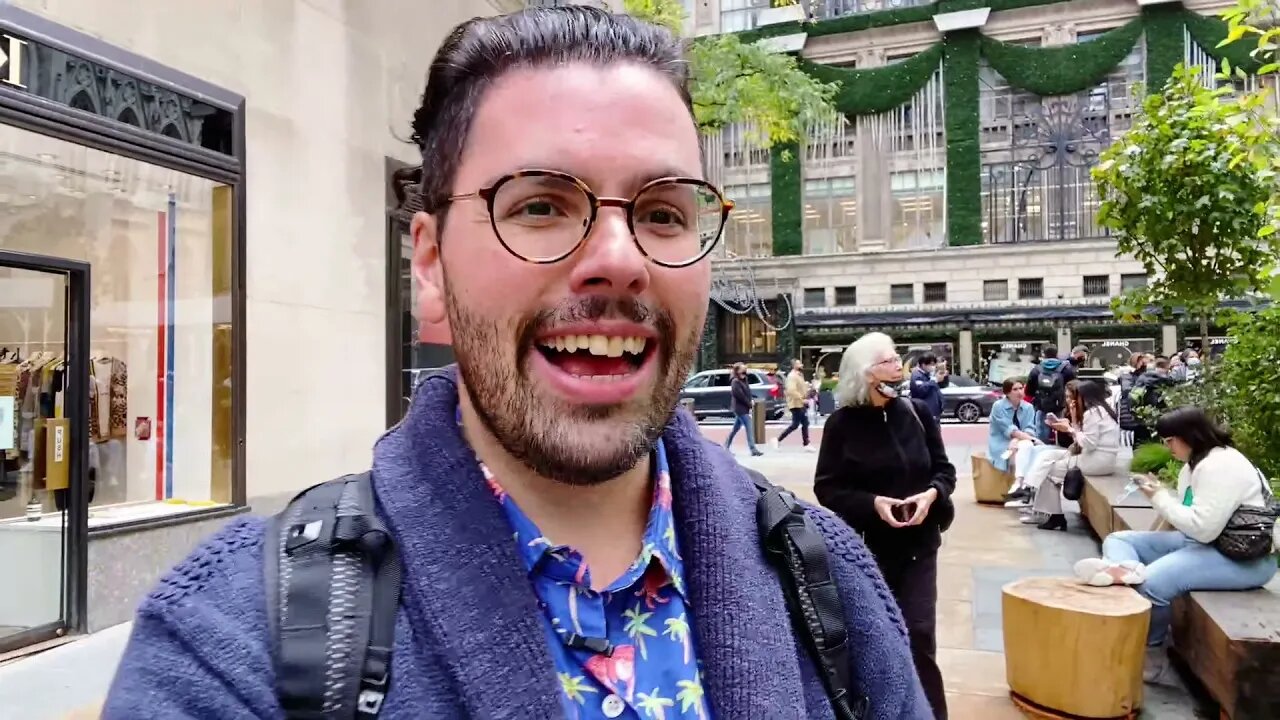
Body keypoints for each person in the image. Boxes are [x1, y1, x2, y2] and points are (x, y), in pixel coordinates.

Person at [101, 7, 931, 719]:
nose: (619, 258)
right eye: (539, 205)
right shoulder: (231, 641)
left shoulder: (829, 583)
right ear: (429, 265)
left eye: (663, 212)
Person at [1074, 407, 1277, 685]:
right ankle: (1126, 569)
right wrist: (1162, 501)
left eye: (1169, 440)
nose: (1166, 447)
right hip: (1206, 544)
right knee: (1119, 540)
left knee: (1152, 586)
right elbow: (1187, 520)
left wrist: (1159, 497)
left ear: (1189, 436)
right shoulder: (1195, 464)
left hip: (1244, 559)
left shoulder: (1222, 466)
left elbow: (1203, 529)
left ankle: (1152, 657)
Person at [815, 332, 958, 720]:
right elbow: (827, 487)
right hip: (868, 550)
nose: (899, 367)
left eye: (898, 360)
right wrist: (873, 504)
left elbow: (945, 471)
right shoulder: (842, 424)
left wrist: (930, 495)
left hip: (919, 544)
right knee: (875, 639)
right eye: (889, 361)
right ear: (866, 373)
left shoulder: (917, 413)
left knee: (919, 635)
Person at [1027, 380, 1121, 531]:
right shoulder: (1103, 410)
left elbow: (1089, 444)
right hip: (1102, 459)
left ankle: (1054, 515)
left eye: (1074, 397)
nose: (1072, 401)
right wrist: (1074, 418)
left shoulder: (1092, 413)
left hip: (1096, 461)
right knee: (1049, 456)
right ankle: (1028, 486)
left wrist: (1070, 429)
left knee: (1051, 470)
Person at [987, 377, 1038, 495]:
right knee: (1023, 448)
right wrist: (1030, 439)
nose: (1020, 392)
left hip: (1021, 440)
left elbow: (1030, 428)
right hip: (1001, 441)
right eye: (1015, 389)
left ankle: (1019, 483)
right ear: (1007, 393)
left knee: (1027, 446)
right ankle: (1023, 485)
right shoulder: (998, 406)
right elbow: (1007, 428)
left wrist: (1016, 440)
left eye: (1021, 388)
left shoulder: (1028, 407)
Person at [1025, 345, 1075, 445]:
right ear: (1056, 354)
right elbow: (1073, 386)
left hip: (1042, 406)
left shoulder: (1037, 369)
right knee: (1061, 428)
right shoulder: (1066, 369)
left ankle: (1042, 451)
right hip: (1060, 406)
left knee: (1041, 432)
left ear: (1044, 354)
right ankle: (1061, 448)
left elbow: (1029, 391)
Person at [771, 358, 815, 452]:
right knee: (796, 424)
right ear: (794, 365)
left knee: (804, 423)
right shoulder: (792, 376)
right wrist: (802, 399)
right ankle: (778, 440)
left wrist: (808, 388)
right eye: (799, 364)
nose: (802, 365)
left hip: (800, 403)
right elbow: (791, 390)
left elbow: (800, 388)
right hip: (796, 403)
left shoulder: (799, 375)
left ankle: (806, 443)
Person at [724, 363, 763, 456]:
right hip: (739, 408)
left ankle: (725, 446)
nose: (745, 371)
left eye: (745, 369)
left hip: (744, 408)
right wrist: (749, 403)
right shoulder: (735, 382)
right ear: (737, 371)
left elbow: (748, 392)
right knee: (749, 427)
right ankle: (753, 449)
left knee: (735, 429)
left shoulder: (744, 380)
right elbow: (739, 395)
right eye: (742, 369)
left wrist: (751, 399)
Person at [908, 352, 950, 424]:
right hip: (925, 413)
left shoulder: (929, 375)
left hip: (934, 413)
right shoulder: (917, 375)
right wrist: (934, 380)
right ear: (923, 365)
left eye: (934, 364)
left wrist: (944, 376)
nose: (933, 367)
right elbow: (920, 390)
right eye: (931, 364)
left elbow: (942, 385)